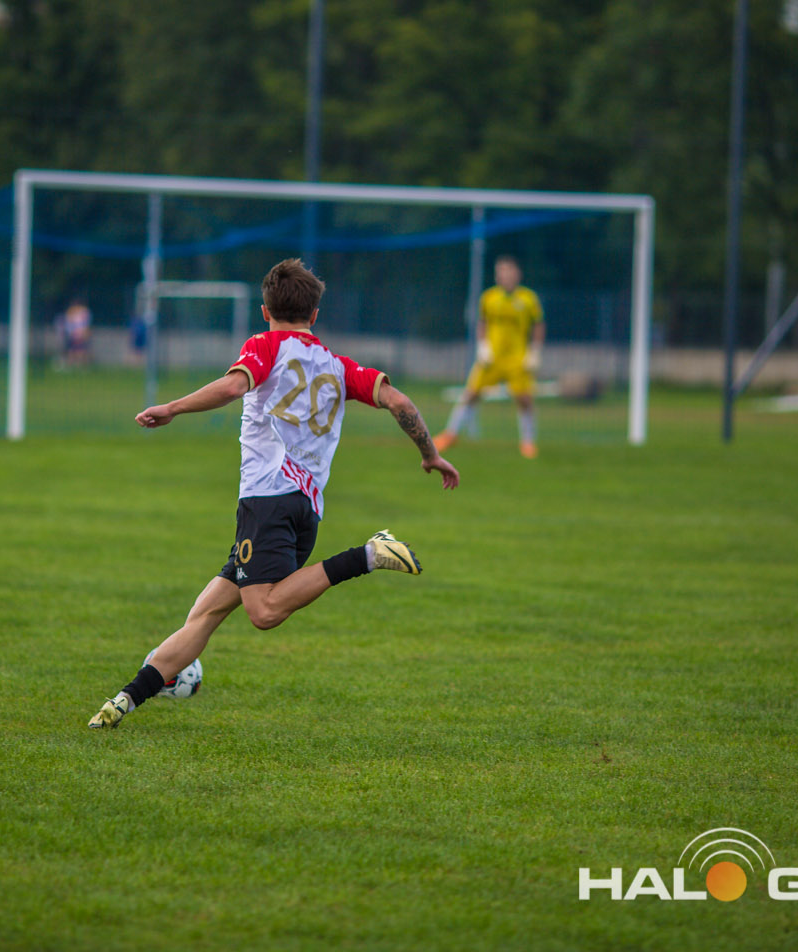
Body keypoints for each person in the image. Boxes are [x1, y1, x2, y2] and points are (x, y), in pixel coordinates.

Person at [88, 258, 461, 728]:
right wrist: (430, 454)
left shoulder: (264, 346)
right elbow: (399, 401)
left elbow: (232, 387)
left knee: (263, 611)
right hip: (305, 508)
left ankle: (367, 555)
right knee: (205, 613)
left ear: (265, 311)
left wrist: (173, 408)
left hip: (267, 500)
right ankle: (121, 703)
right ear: (315, 315)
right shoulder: (338, 366)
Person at [434, 254, 546, 459]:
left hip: (517, 357)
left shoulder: (528, 298)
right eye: (501, 272)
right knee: (471, 394)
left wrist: (535, 351)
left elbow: (538, 324)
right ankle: (450, 434)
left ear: (517, 274)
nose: (506, 276)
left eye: (509, 271)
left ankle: (528, 442)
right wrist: (483, 346)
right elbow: (482, 323)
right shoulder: (489, 298)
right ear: (497, 276)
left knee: (524, 399)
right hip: (492, 357)